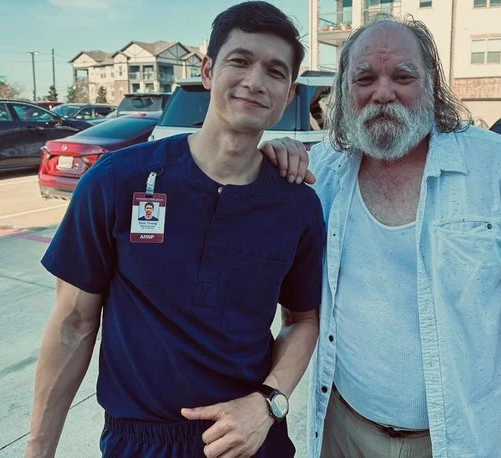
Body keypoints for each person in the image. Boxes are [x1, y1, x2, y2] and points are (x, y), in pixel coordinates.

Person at [261, 15, 501, 458]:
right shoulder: (321, 171)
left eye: (402, 76)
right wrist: (269, 158)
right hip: (342, 427)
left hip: (454, 440)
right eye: (364, 78)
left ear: (432, 84)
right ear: (344, 90)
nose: (382, 92)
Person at [25, 2, 324, 457]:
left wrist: (269, 402)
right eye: (240, 61)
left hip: (252, 441)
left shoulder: (297, 204)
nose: (254, 81)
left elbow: (302, 320)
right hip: (140, 443)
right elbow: (72, 324)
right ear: (207, 70)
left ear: (288, 94)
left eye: (274, 71)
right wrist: (38, 450)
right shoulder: (117, 181)